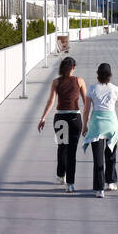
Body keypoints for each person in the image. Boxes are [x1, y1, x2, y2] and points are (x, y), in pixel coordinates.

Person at [37, 57, 84, 191]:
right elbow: (86, 101)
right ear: (73, 67)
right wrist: (87, 120)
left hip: (61, 119)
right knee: (72, 152)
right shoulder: (79, 81)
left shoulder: (56, 82)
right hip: (75, 118)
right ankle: (70, 184)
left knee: (62, 147)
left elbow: (51, 102)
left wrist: (43, 118)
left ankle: (60, 175)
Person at [82, 62, 118, 198]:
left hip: (97, 126)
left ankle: (99, 189)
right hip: (112, 126)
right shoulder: (115, 89)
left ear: (97, 75)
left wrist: (85, 126)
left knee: (98, 159)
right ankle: (111, 182)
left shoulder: (91, 89)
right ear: (110, 75)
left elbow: (86, 110)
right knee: (111, 155)